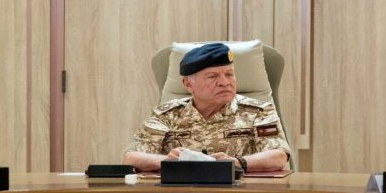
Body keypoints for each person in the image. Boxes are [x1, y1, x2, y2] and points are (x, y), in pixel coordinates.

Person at [123, 42, 290, 173]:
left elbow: (278, 156)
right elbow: (130, 158)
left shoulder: (259, 111)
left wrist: (237, 163)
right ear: (188, 84)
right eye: (212, 76)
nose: (224, 82)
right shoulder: (167, 114)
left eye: (229, 74)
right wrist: (165, 161)